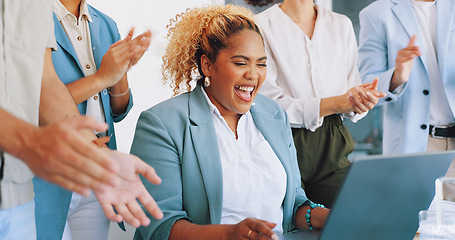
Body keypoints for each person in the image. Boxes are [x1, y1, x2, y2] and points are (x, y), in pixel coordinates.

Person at [130, 5, 331, 240]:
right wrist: (230, 234)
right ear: (207, 66)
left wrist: (323, 216)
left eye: (261, 64)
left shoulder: (273, 114)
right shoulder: (162, 124)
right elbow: (159, 225)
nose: (253, 75)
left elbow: (293, 203)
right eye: (240, 63)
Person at [0, 0, 162, 239]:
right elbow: (30, 98)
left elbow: (47, 85)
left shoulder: (103, 23)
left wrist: (99, 155)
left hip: (81, 166)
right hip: (39, 170)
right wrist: (102, 77)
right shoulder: (42, 10)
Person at [246, 0, 386, 207]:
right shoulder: (259, 26)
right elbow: (267, 106)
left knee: (348, 219)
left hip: (334, 142)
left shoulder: (341, 24)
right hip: (281, 141)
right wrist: (338, 103)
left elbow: (351, 93)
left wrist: (361, 101)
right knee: (288, 226)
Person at [358, 0, 455, 177]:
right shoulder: (377, 14)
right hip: (416, 145)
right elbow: (365, 87)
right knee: (415, 205)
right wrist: (396, 77)